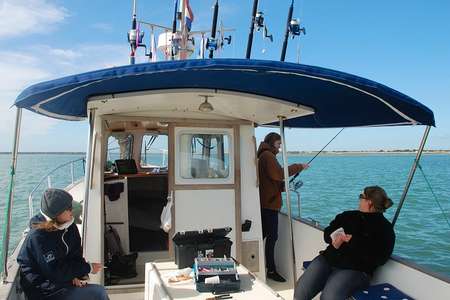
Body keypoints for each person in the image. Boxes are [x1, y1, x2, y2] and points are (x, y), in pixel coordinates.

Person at [294, 186, 396, 300]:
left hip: (356, 270)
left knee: (330, 296)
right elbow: (328, 232)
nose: (359, 199)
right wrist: (333, 240)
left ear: (369, 202)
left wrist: (353, 241)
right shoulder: (347, 216)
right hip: (328, 260)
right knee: (301, 290)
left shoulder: (385, 229)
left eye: (361, 197)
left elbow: (380, 258)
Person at [17, 188, 109, 300]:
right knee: (98, 293)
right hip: (43, 288)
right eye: (69, 208)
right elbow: (54, 272)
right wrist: (88, 268)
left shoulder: (69, 226)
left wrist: (76, 276)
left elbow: (75, 255)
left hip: (60, 280)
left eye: (72, 206)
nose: (72, 210)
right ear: (56, 214)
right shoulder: (38, 237)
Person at [258, 132, 309, 282]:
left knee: (266, 236)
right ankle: (270, 270)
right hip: (269, 204)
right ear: (273, 142)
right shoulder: (268, 156)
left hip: (267, 202)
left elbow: (271, 180)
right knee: (271, 237)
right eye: (279, 144)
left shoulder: (264, 155)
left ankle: (265, 267)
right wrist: (299, 166)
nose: (280, 147)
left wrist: (282, 187)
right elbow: (279, 174)